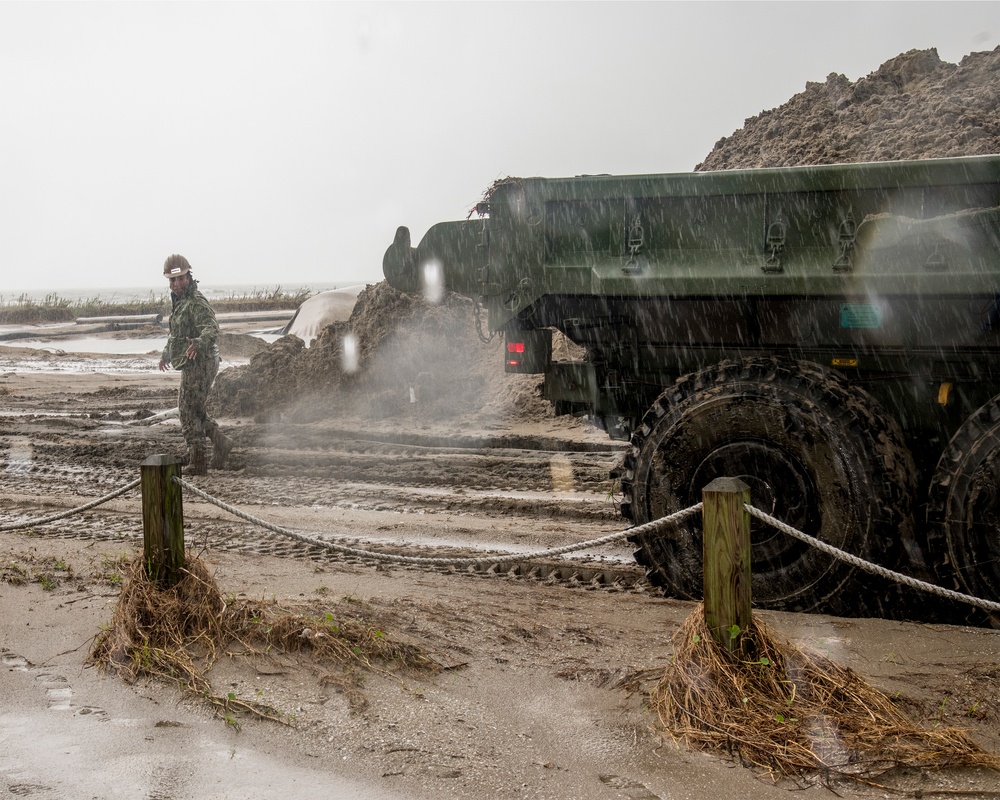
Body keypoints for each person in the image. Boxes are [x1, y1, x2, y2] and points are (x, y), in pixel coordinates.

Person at [158, 254, 233, 474]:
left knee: (186, 411)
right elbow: (176, 336)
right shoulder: (180, 303)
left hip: (201, 361)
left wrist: (198, 343)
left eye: (180, 279)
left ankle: (197, 460)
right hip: (192, 361)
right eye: (172, 281)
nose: (176, 284)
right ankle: (221, 442)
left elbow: (211, 327)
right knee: (195, 409)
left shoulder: (195, 302)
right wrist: (166, 354)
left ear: (189, 277)